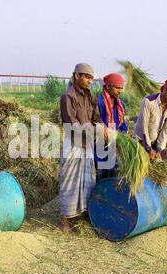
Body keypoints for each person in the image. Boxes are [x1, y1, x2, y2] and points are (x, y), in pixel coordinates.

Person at [59, 63, 102, 233]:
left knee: (87, 179)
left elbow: (96, 116)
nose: (89, 81)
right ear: (76, 76)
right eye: (86, 77)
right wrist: (94, 130)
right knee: (69, 180)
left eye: (91, 78)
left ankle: (83, 214)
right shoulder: (68, 96)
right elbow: (72, 123)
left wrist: (102, 128)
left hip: (88, 143)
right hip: (73, 143)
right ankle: (64, 220)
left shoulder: (90, 96)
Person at [133, 78, 167, 160]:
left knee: (164, 159)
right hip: (141, 139)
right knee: (143, 162)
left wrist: (160, 149)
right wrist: (148, 149)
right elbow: (144, 127)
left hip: (155, 141)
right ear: (164, 89)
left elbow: (166, 130)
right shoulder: (149, 101)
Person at [95, 73, 128, 181]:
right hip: (100, 146)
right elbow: (94, 122)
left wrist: (123, 133)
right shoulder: (98, 102)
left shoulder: (120, 105)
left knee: (113, 176)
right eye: (117, 88)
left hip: (114, 146)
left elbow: (122, 123)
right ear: (108, 86)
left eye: (121, 88)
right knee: (100, 177)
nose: (120, 91)